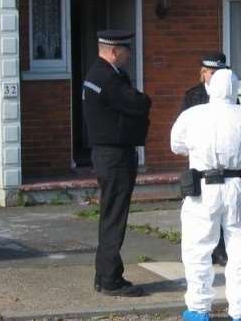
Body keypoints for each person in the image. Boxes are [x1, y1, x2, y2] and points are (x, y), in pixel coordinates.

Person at [171, 69, 241, 321]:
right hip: (239, 186)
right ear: (236, 89)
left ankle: (199, 309)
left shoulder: (192, 115)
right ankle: (238, 310)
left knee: (197, 248)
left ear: (209, 87)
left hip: (202, 188)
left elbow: (176, 145)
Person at [83, 30, 151, 297]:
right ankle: (110, 279)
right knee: (114, 217)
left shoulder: (100, 74)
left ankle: (107, 274)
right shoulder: (107, 78)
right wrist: (142, 101)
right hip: (114, 156)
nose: (130, 54)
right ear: (114, 51)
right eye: (126, 49)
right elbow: (139, 102)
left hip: (109, 154)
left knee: (111, 215)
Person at [181, 52, 229, 266]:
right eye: (210, 72)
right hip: (201, 159)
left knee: (221, 207)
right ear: (203, 73)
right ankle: (203, 251)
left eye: (218, 73)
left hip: (223, 160)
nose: (213, 77)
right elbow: (183, 128)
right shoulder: (192, 95)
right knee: (200, 209)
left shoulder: (230, 95)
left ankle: (220, 249)